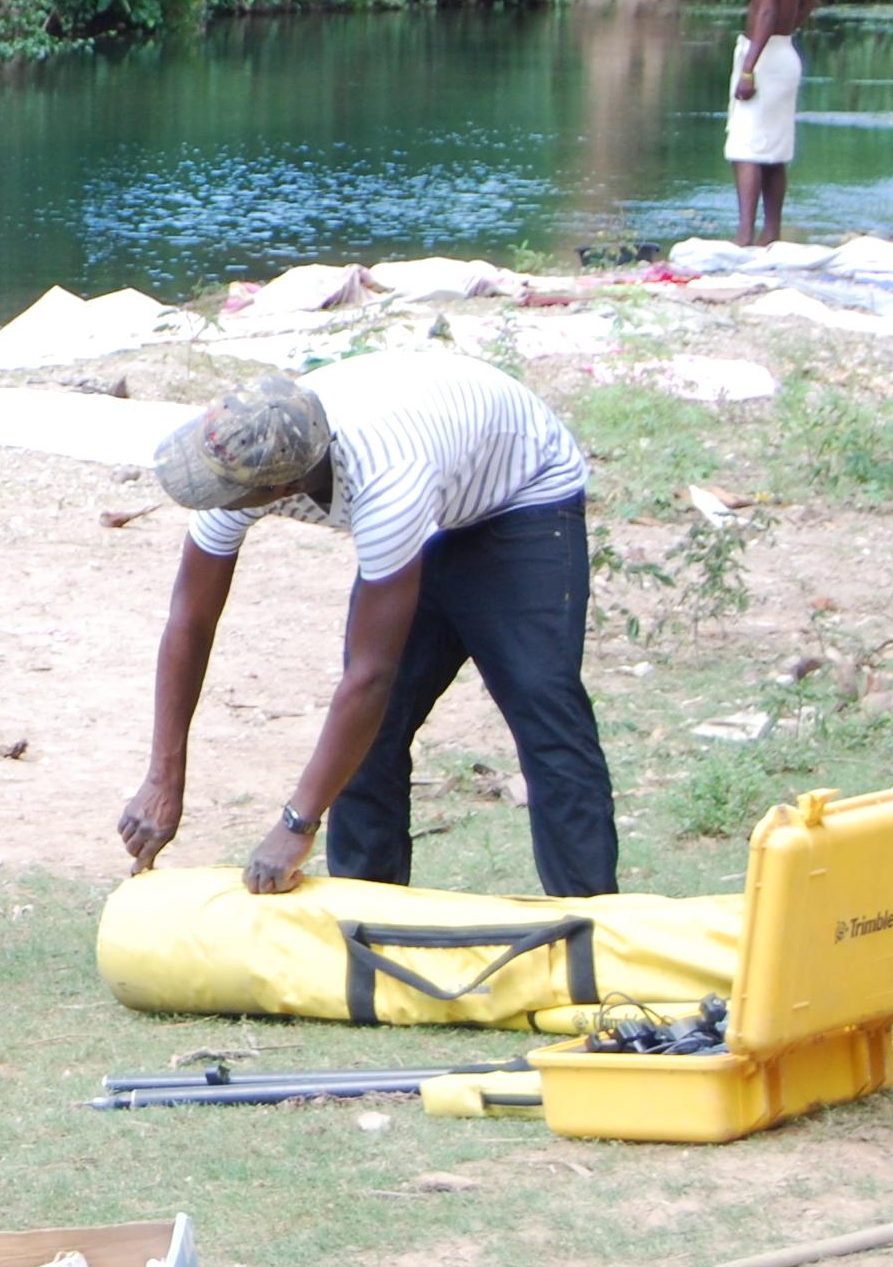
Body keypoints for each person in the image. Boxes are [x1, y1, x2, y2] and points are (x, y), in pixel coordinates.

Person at [116, 356, 618, 900]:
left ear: (279, 487)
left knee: (541, 703)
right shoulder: (241, 457)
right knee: (369, 736)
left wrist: (296, 825)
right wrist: (163, 780)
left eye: (225, 490)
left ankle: (588, 929)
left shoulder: (386, 482)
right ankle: (366, 925)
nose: (211, 496)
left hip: (523, 492)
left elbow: (370, 676)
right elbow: (190, 620)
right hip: (438, 476)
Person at [726, 0, 814, 247]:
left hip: (763, 58)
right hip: (783, 54)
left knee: (745, 148)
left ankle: (745, 236)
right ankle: (771, 234)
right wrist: (784, 36)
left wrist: (749, 68)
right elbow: (808, 2)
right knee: (774, 153)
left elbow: (766, 11)